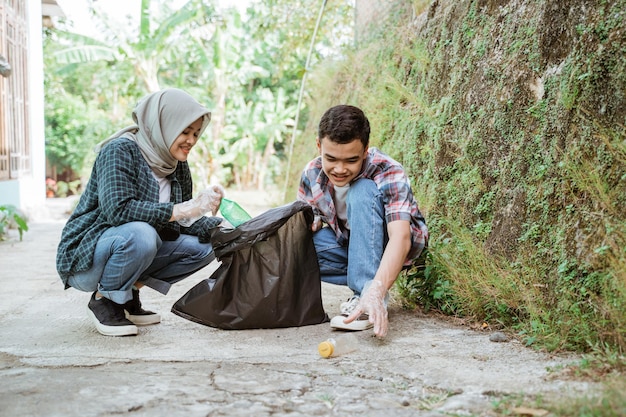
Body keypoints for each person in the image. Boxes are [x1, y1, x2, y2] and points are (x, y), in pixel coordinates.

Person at [56, 88, 225, 337]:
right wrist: (186, 207)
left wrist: (217, 224)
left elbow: (180, 221)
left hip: (133, 245)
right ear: (165, 124)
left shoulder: (176, 163)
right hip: (88, 255)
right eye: (185, 131)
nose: (191, 140)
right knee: (142, 233)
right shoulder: (119, 151)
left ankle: (127, 295)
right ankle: (104, 300)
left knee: (207, 246)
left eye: (196, 133)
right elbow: (118, 211)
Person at [297, 104, 428, 338]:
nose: (339, 169)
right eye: (331, 158)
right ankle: (366, 281)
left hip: (392, 245)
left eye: (350, 160)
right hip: (352, 245)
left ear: (365, 150)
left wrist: (376, 291)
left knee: (362, 190)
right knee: (297, 245)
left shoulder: (387, 170)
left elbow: (401, 237)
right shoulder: (311, 175)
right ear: (319, 146)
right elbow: (306, 220)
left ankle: (367, 296)